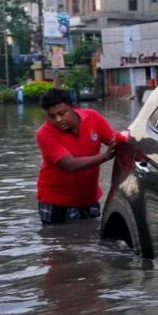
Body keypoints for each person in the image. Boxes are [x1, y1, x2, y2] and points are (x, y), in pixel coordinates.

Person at [35, 88, 118, 224]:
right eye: (52, 116)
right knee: (57, 240)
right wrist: (106, 156)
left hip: (88, 197)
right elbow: (70, 165)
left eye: (62, 113)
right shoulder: (44, 133)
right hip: (55, 201)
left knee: (90, 238)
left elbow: (115, 141)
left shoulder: (93, 117)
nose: (58, 119)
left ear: (73, 107)